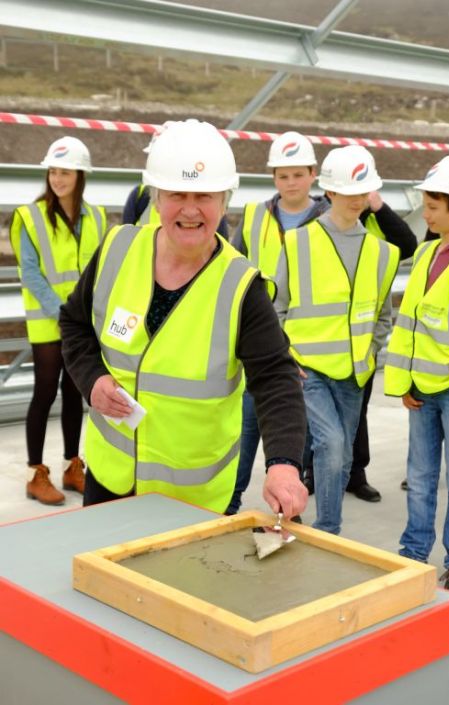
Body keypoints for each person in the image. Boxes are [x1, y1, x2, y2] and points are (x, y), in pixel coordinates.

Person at [59, 119, 308, 520]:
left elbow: (276, 378)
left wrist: (283, 463)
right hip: (110, 480)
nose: (191, 209)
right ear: (156, 198)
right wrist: (92, 379)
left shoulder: (241, 286)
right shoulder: (117, 249)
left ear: (224, 202)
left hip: (193, 498)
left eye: (205, 196)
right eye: (177, 193)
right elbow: (74, 323)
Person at [227, 131, 415, 513]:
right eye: (283, 175)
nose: (291, 182)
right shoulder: (258, 217)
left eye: (298, 174)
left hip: (341, 356)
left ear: (314, 176)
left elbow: (398, 256)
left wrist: (375, 203)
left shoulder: (341, 218)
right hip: (271, 344)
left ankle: (304, 506)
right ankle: (230, 504)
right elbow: (230, 266)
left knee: (317, 443)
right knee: (249, 429)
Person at [275, 145, 400, 534]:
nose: (358, 199)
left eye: (364, 192)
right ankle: (328, 530)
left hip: (355, 372)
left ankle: (331, 527)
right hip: (307, 368)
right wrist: (286, 356)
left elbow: (383, 314)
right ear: (329, 191)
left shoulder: (383, 252)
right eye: (350, 192)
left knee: (343, 454)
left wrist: (372, 349)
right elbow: (277, 305)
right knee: (329, 446)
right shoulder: (298, 243)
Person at [384, 155, 449, 596]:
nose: (427, 214)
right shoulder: (425, 252)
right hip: (421, 387)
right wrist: (404, 383)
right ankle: (413, 552)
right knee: (418, 477)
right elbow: (410, 326)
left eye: (433, 206)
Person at [10, 136, 107, 505]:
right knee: (45, 392)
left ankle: (72, 465)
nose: (57, 178)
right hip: (50, 321)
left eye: (65, 172)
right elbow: (31, 274)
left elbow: (98, 268)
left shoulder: (96, 217)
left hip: (81, 322)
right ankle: (36, 473)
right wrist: (64, 314)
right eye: (53, 171)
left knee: (73, 392)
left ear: (80, 175)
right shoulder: (29, 217)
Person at [122, 130, 230, 238]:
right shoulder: (140, 195)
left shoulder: (212, 196)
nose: (190, 212)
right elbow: (126, 237)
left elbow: (221, 241)